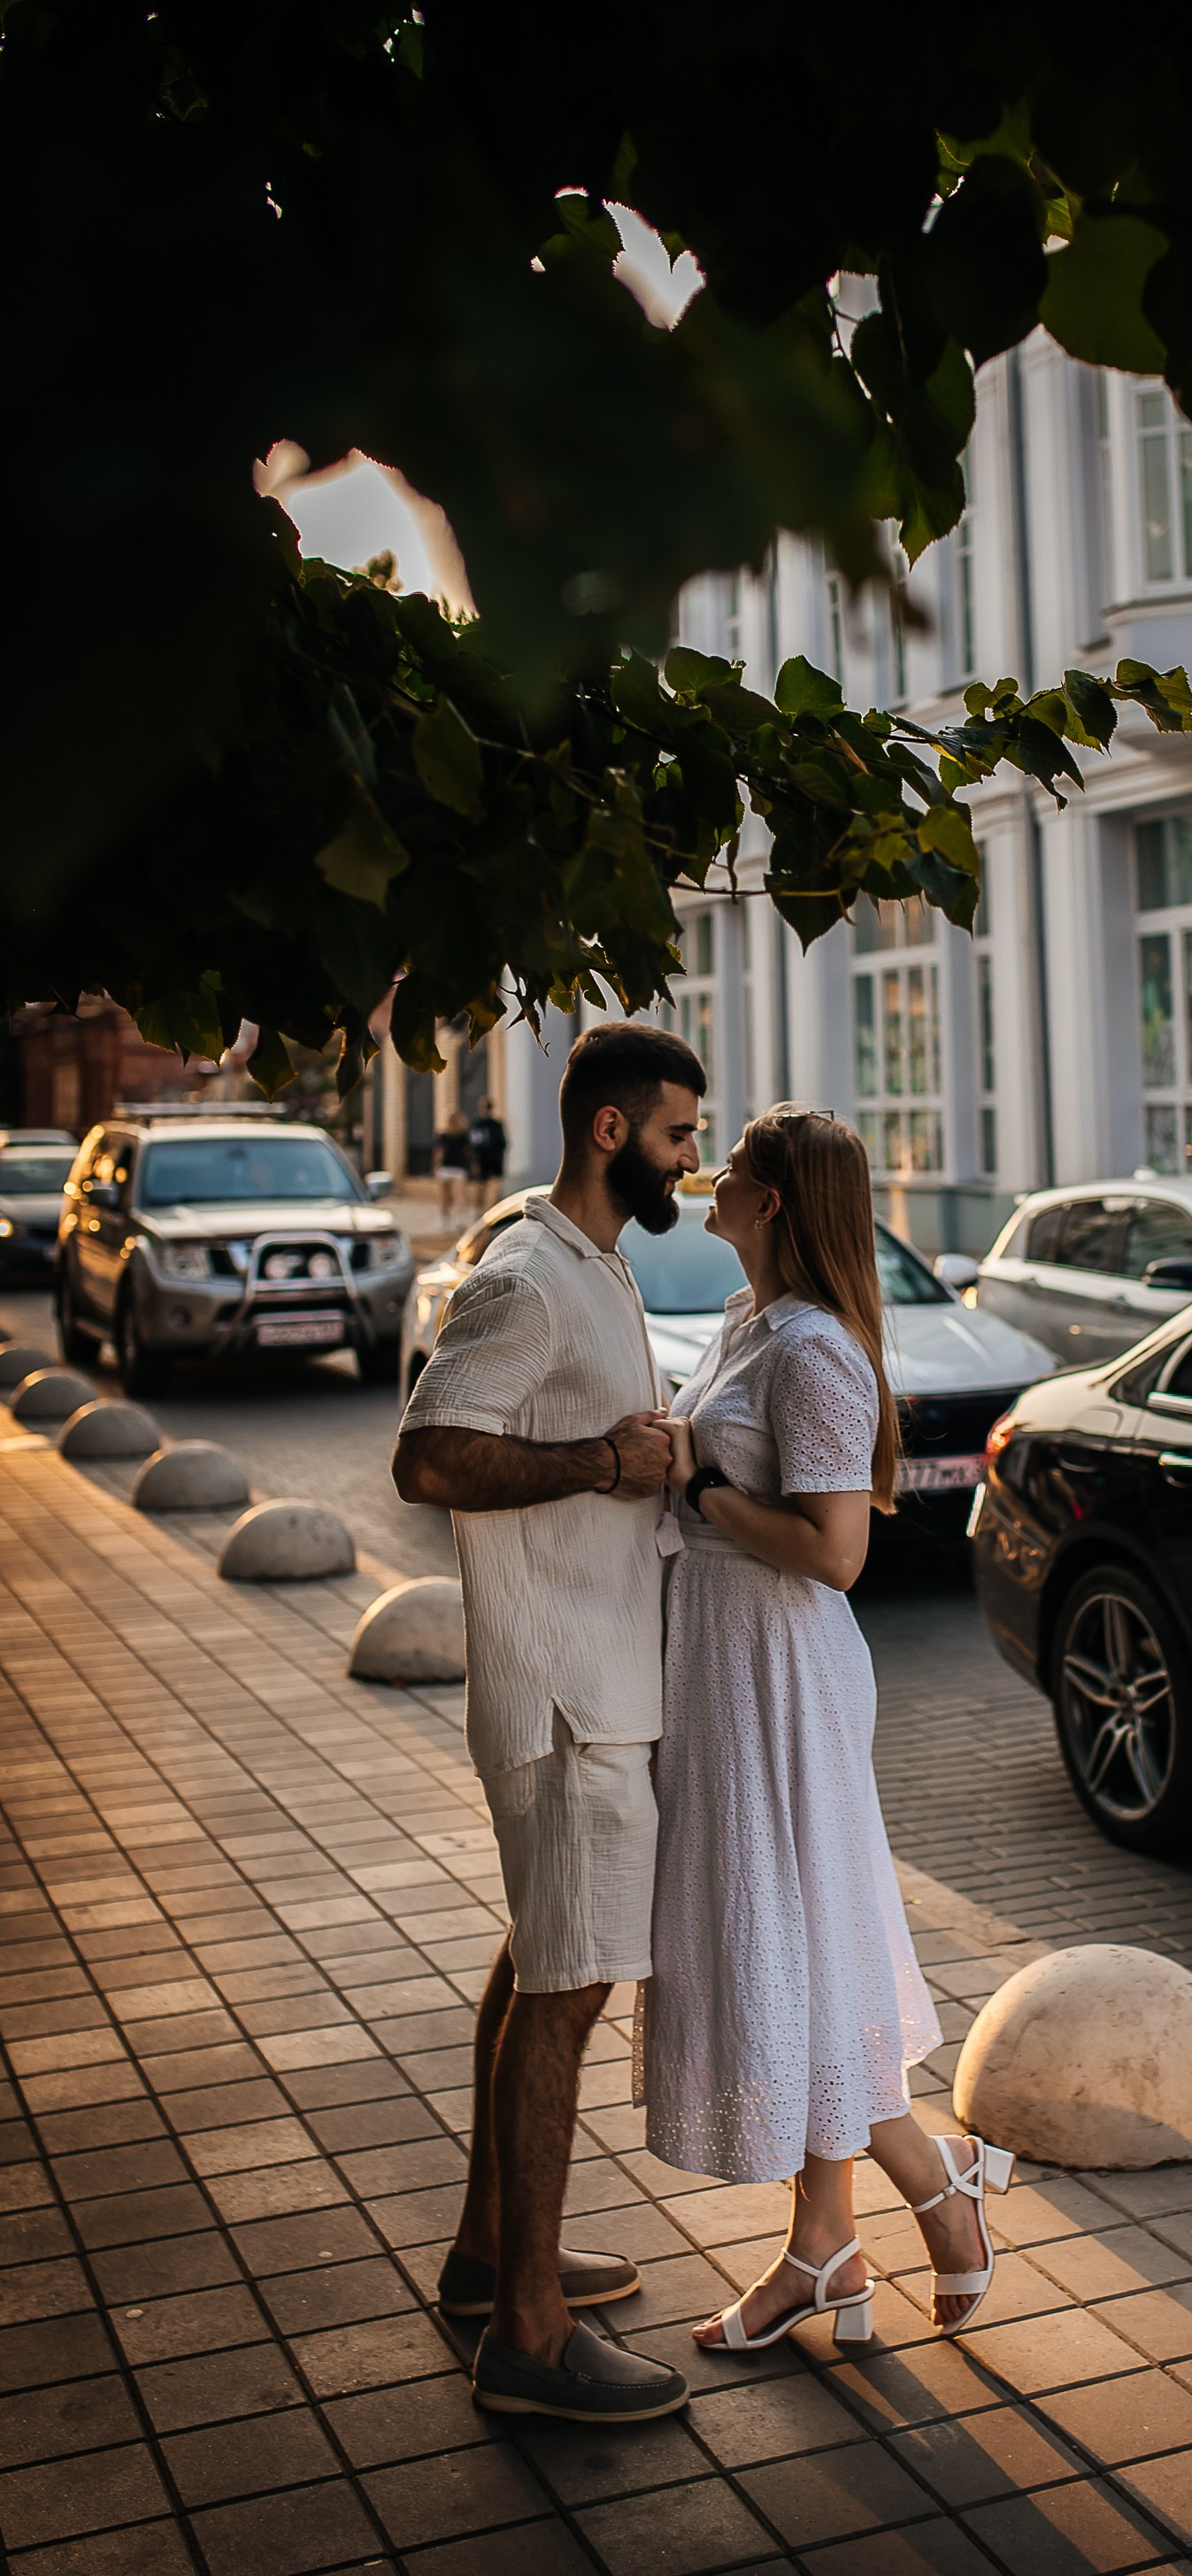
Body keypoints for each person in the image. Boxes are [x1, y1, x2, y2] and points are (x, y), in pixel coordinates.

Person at [644, 1107, 1015, 2351]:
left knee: (794, 1943)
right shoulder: (753, 1322)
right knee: (791, 1947)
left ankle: (927, 2192)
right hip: (725, 1662)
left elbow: (838, 1552)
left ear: (777, 1202)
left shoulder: (814, 1351)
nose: (713, 1174)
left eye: (734, 1165)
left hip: (780, 1672)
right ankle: (828, 2248)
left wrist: (697, 1486)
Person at [393, 1022, 705, 2425]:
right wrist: (601, 1459)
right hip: (568, 1695)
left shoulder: (591, 1259)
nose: (690, 1160)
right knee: (568, 1998)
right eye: (677, 1135)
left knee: (536, 1971)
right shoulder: (525, 1274)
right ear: (607, 1131)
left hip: (592, 1682)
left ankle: (487, 2257)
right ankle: (527, 2334)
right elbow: (427, 1453)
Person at [434, 1106, 472, 1227]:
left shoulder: (444, 1136)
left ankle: (445, 1218)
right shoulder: (464, 1136)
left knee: (445, 1196)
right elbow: (468, 1152)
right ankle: (459, 1219)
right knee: (458, 1195)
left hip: (447, 1167)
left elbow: (439, 1153)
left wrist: (435, 1166)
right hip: (459, 1167)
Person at [470, 1094, 507, 1206]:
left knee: (494, 1185)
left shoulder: (496, 1124)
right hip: (483, 1159)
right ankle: (480, 1208)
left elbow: (502, 1143)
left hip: (494, 1158)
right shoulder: (478, 1125)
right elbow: (474, 1144)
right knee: (481, 1186)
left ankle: (492, 1206)